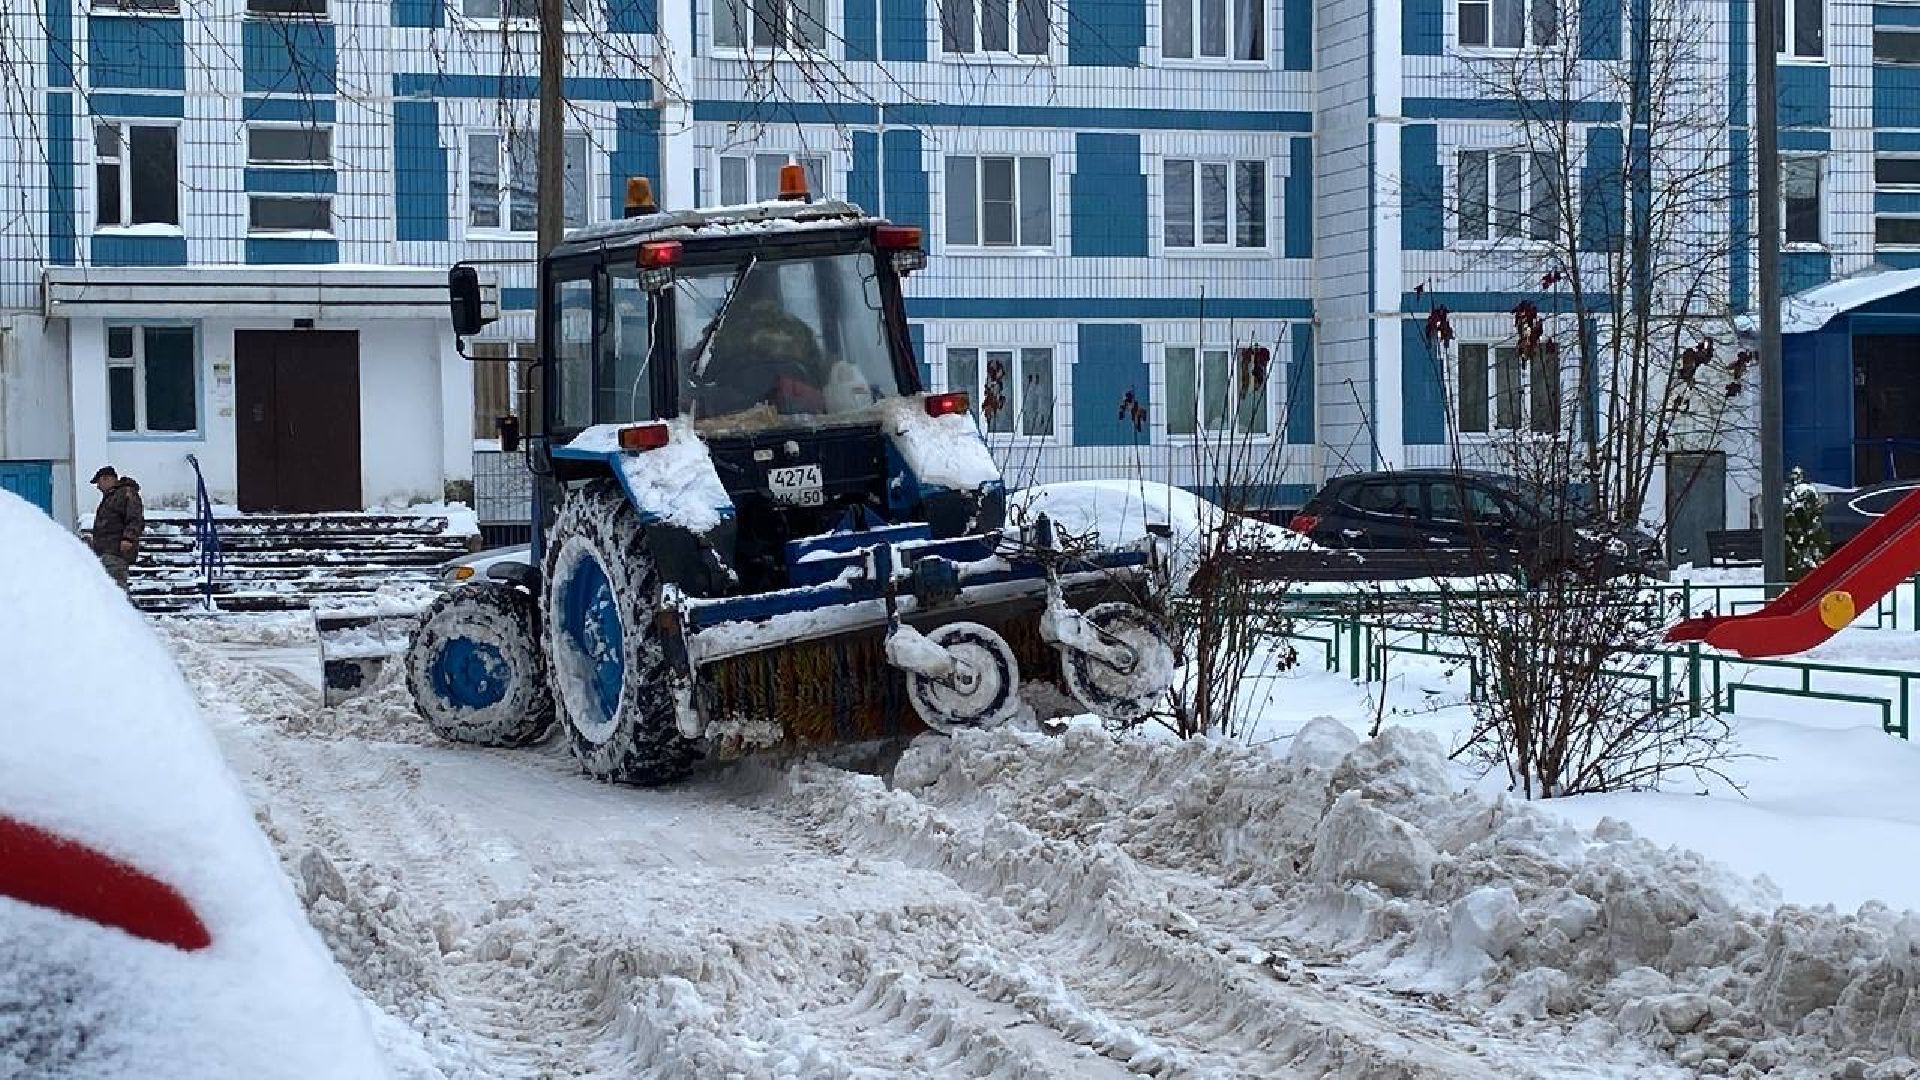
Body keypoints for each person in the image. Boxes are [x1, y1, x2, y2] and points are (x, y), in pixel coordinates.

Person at [88, 466, 144, 592]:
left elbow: (135, 518)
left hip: (116, 551)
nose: (98, 487)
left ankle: (125, 611)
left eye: (99, 482)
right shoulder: (111, 497)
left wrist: (128, 538)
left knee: (116, 589)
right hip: (106, 551)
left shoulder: (126, 493)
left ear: (107, 479)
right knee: (111, 589)